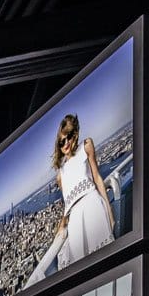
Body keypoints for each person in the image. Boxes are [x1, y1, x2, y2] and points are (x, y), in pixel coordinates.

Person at [49, 113, 117, 269]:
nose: (66, 143)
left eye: (69, 137)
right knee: (83, 268)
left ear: (75, 134)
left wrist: (110, 212)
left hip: (93, 206)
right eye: (61, 141)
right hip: (76, 219)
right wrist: (61, 225)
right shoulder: (60, 174)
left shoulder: (86, 146)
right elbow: (68, 204)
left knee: (106, 261)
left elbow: (97, 178)